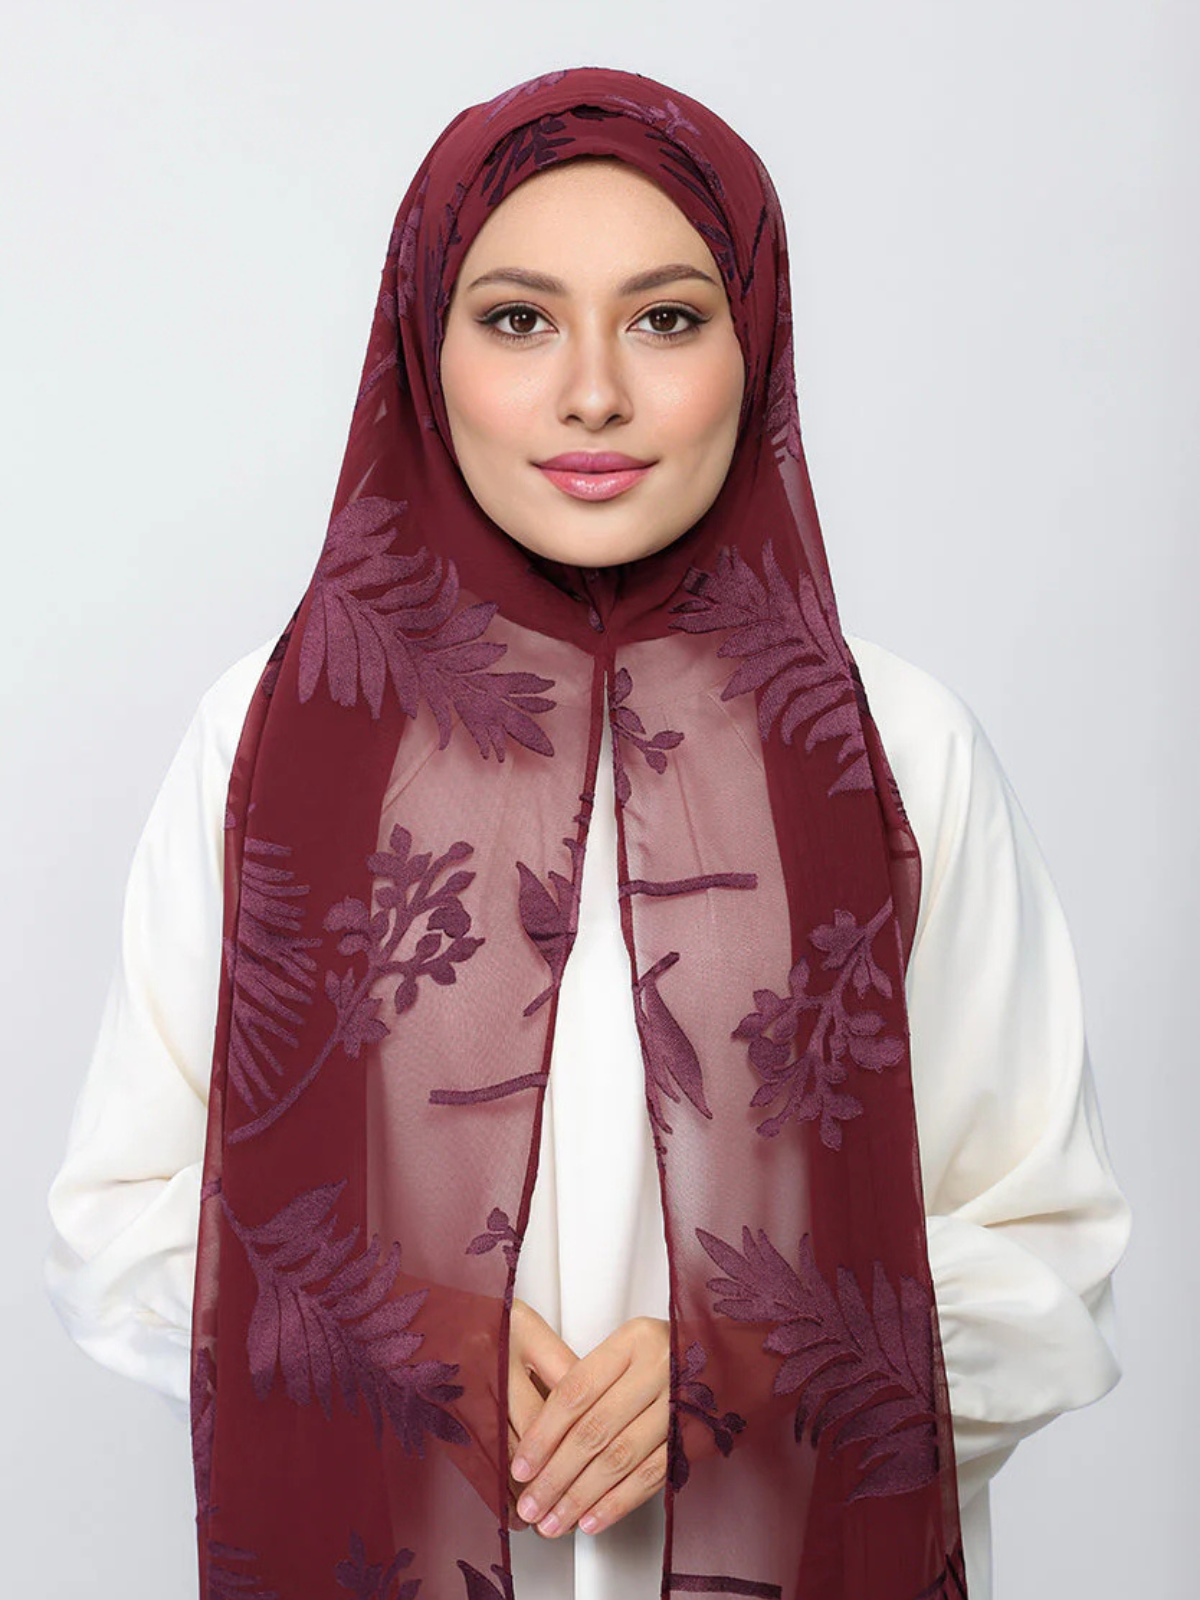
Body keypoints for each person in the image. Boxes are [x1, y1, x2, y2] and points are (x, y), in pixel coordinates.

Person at [43, 66, 1132, 1600]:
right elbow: (121, 1225)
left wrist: (749, 1364)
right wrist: (406, 1346)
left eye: (668, 319)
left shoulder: (891, 749)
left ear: (756, 344)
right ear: (423, 354)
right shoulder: (273, 742)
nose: (595, 393)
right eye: (518, 320)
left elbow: (1047, 1246)